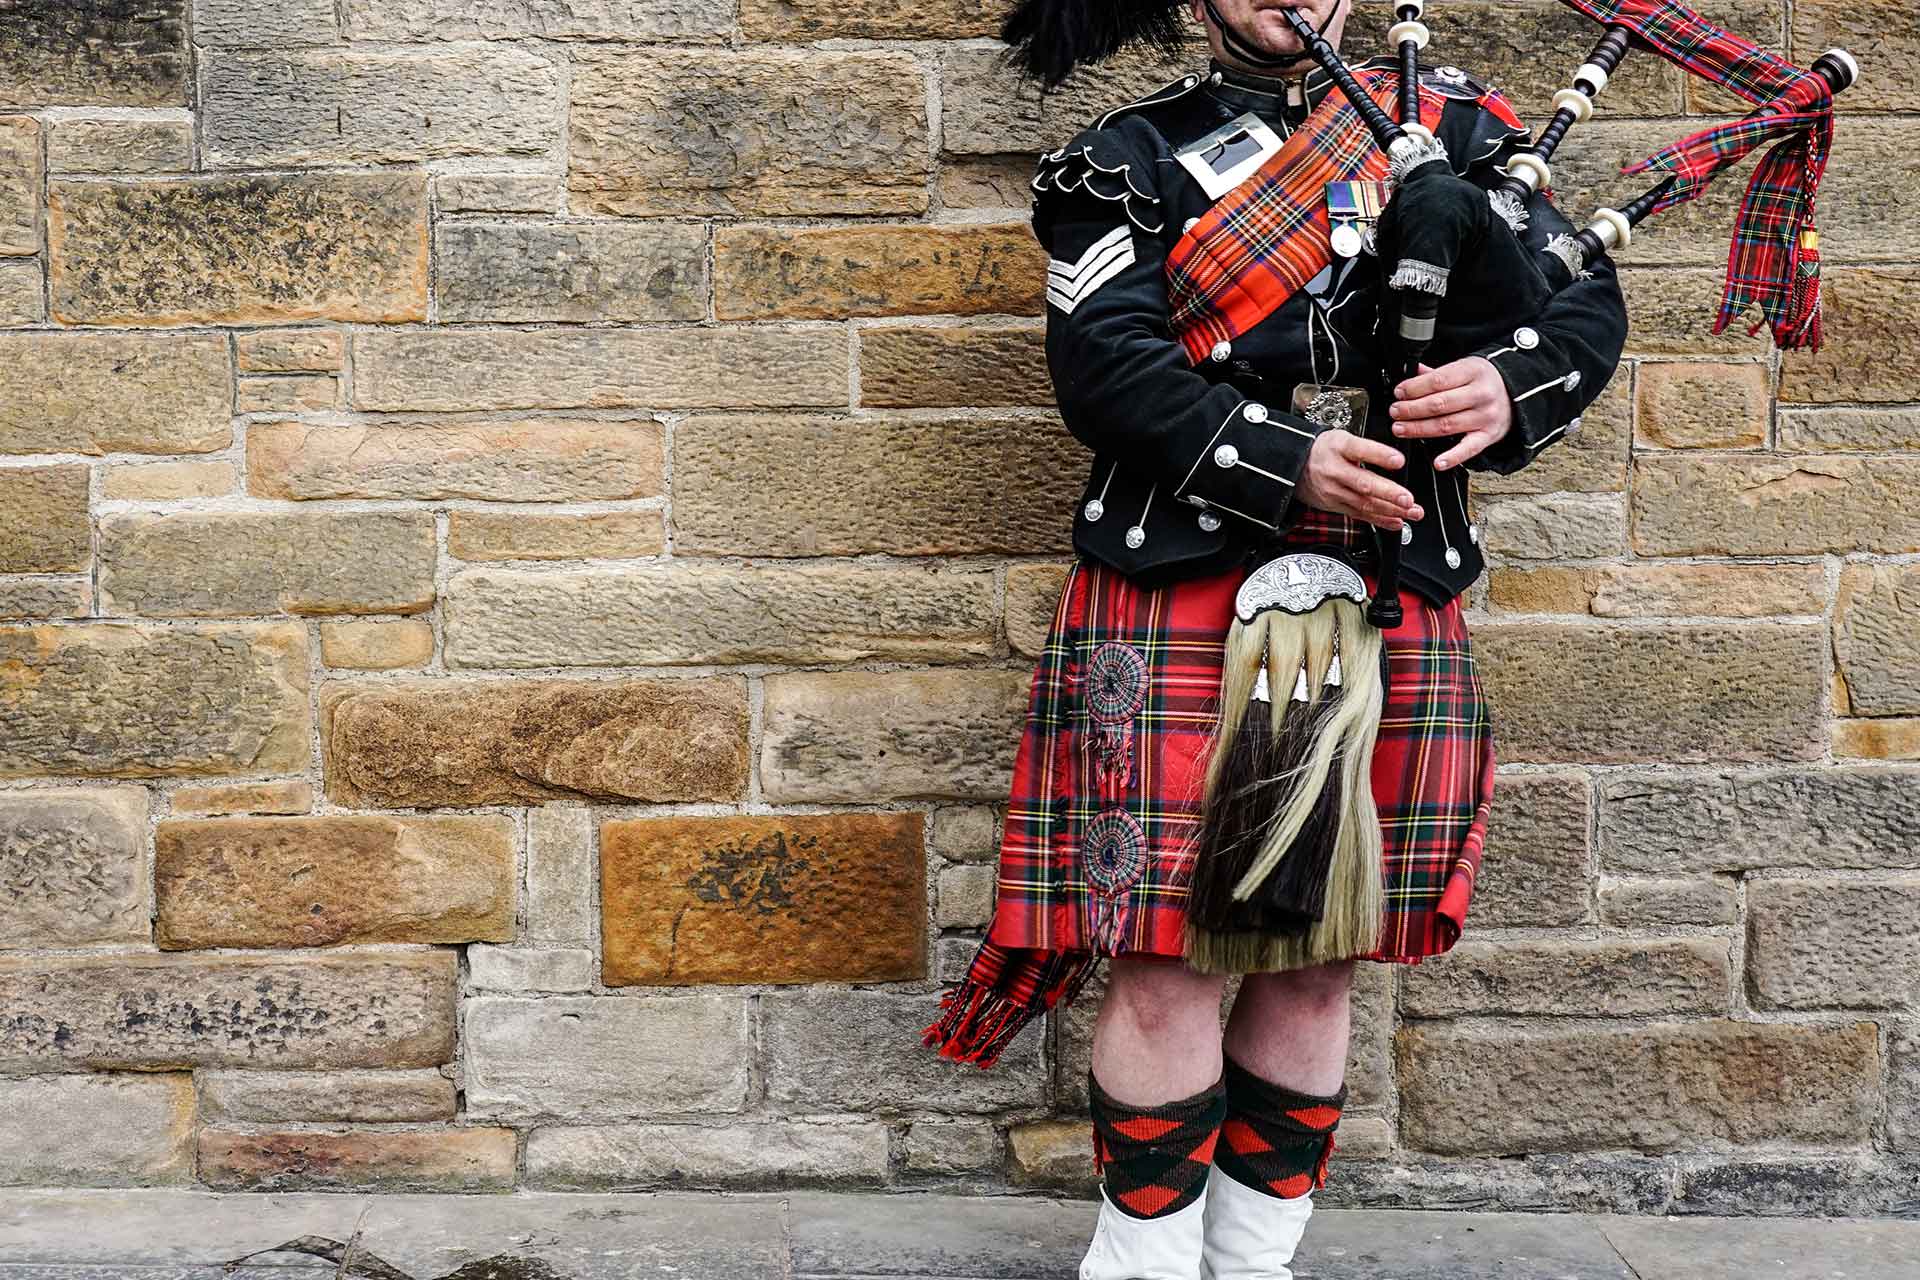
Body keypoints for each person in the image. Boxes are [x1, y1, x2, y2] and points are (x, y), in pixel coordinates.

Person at [924, 1, 1629, 1277]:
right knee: (1168, 961)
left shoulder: (1462, 133)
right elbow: (1105, 365)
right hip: (1185, 580)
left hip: (1388, 586)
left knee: (1320, 960)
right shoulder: (1126, 158)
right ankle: (1141, 1264)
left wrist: (1509, 385)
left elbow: (1581, 312)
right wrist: (1289, 464)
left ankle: (1253, 1261)